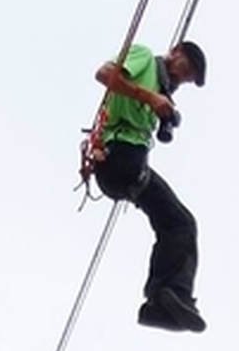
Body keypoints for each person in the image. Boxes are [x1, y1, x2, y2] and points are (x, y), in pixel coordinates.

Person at [88, 40, 210, 333]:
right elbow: (104, 74)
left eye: (188, 79)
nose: (182, 78)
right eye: (185, 69)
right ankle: (168, 296)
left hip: (125, 167)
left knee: (175, 223)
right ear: (175, 52)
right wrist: (149, 97)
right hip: (119, 157)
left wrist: (162, 109)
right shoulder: (144, 57)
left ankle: (160, 305)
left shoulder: (161, 89)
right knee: (181, 223)